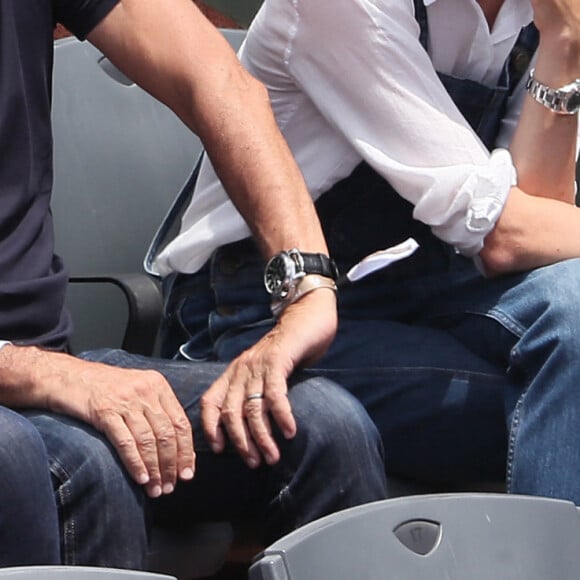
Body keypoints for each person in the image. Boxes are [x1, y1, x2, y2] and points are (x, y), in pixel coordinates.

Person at [0, 0, 387, 570]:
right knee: (81, 467)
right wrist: (37, 372)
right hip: (26, 391)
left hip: (48, 364)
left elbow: (216, 78)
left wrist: (305, 285)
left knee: (322, 426)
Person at [152, 0, 580, 505]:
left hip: (425, 291)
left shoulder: (539, 16)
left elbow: (542, 231)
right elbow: (504, 234)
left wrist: (565, 43)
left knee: (570, 302)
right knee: (562, 404)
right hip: (265, 318)